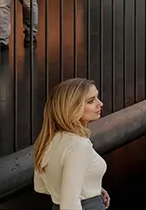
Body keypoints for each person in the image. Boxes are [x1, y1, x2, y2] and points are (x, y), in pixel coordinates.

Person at [32, 78, 107, 210]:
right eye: (91, 101)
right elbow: (69, 205)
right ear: (72, 107)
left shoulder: (47, 141)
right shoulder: (79, 145)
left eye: (97, 97)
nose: (100, 103)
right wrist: (88, 198)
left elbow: (40, 187)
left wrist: (93, 189)